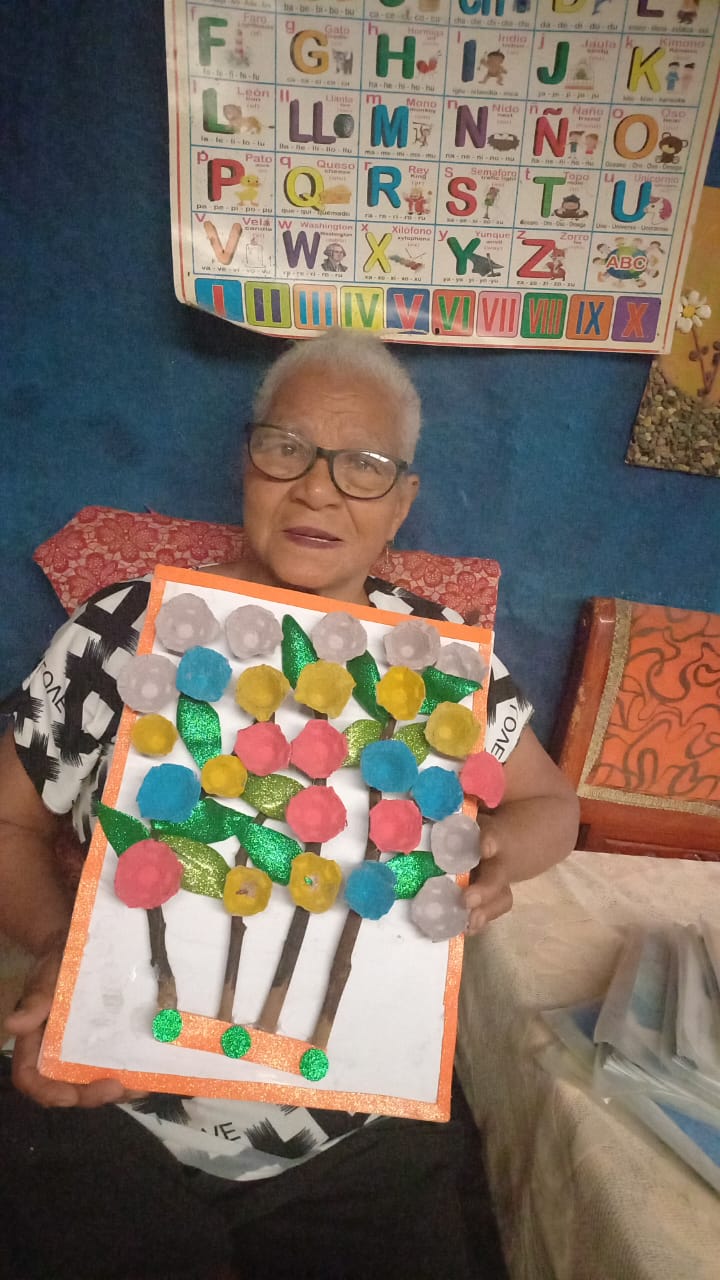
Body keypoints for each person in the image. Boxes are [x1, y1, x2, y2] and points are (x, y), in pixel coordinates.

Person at [0, 331, 579, 1280]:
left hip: (358, 1125)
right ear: (247, 462)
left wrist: (491, 850)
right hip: (109, 1099)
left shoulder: (439, 657)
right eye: (287, 448)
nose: (318, 489)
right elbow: (10, 821)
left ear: (402, 502)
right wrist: (59, 947)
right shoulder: (123, 625)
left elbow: (554, 805)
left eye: (364, 466)